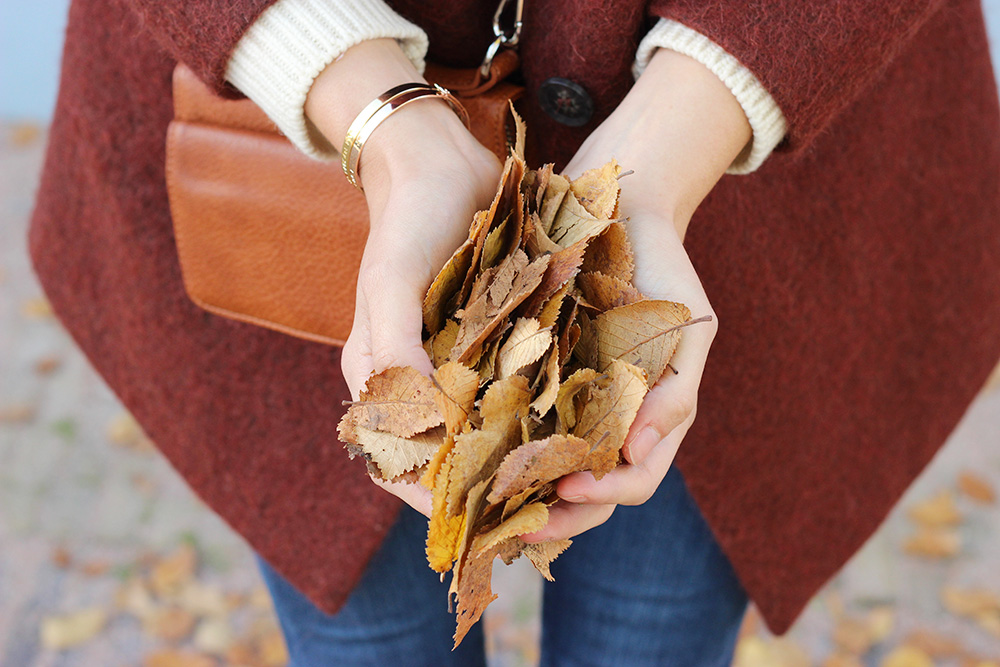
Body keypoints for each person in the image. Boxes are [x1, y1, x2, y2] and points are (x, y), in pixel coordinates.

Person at [27, 0, 1000, 665]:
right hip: (300, 162)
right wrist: (374, 112)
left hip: (766, 174)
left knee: (652, 640)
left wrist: (665, 154)